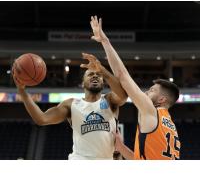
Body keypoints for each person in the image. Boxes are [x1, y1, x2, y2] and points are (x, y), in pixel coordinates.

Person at [90, 15, 181, 160]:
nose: (146, 92)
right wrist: (121, 148)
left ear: (162, 99)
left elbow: (122, 76)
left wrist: (105, 41)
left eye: (152, 90)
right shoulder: (170, 126)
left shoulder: (152, 112)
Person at [12, 53, 127, 160]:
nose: (95, 76)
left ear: (103, 82)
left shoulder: (109, 100)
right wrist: (22, 91)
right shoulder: (71, 104)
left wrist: (102, 70)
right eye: (91, 74)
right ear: (83, 83)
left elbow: (123, 96)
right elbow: (42, 119)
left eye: (98, 75)